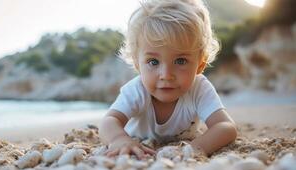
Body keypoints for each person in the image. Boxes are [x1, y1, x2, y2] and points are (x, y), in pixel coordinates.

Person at [99, 0, 237, 159]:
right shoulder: (137, 90)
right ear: (138, 64)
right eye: (153, 62)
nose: (166, 74)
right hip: (139, 141)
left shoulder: (199, 88)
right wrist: (119, 139)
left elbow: (226, 126)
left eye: (180, 61)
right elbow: (109, 120)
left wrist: (196, 147)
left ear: (200, 65)